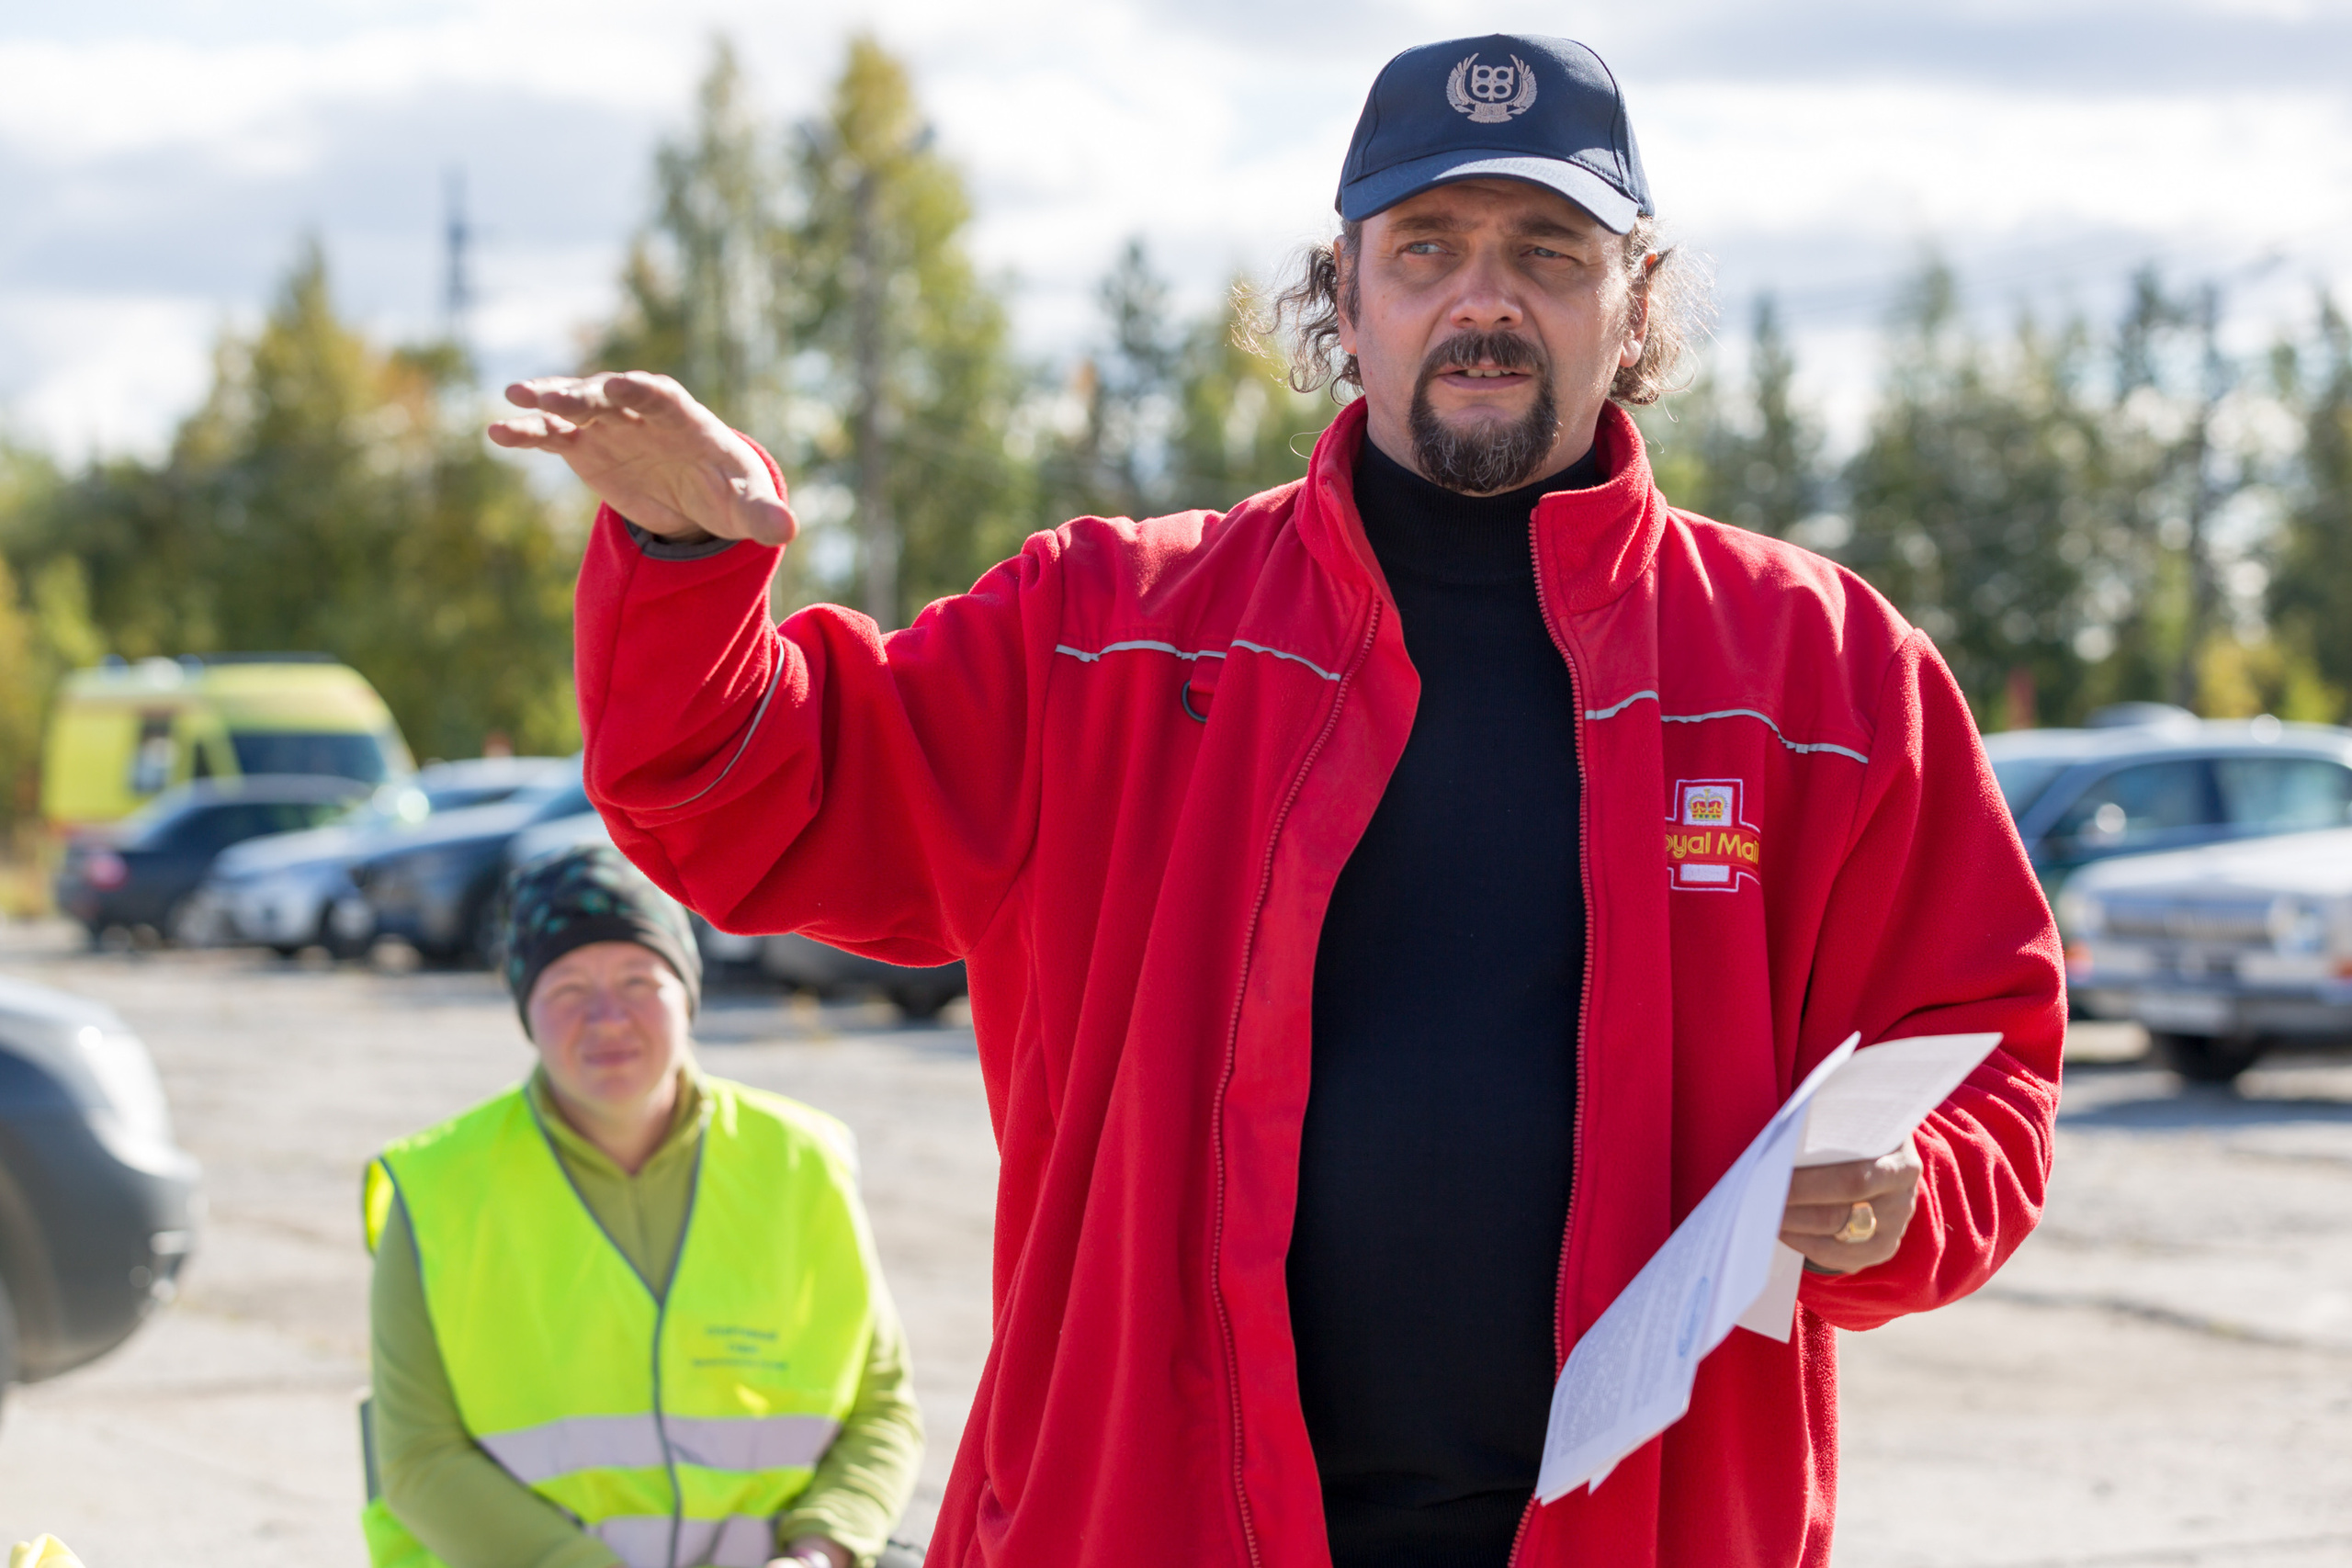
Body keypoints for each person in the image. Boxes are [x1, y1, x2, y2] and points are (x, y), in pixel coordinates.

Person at [488, 32, 2064, 1568]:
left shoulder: (1822, 672)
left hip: (1646, 1518)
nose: (1484, 297)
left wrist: (1909, 1201)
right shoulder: (1107, 632)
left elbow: (1983, 1051)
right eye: (1427, 246)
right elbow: (752, 798)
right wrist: (691, 571)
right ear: (1344, 296)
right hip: (1153, 1513)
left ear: (1633, 298)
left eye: (1548, 249)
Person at [361, 846, 922, 1568]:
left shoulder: (803, 1161)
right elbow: (418, 1459)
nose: (606, 1016)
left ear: (686, 994)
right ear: (525, 1008)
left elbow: (883, 1410)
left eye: (638, 978)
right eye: (567, 986)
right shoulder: (436, 1186)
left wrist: (822, 1550)